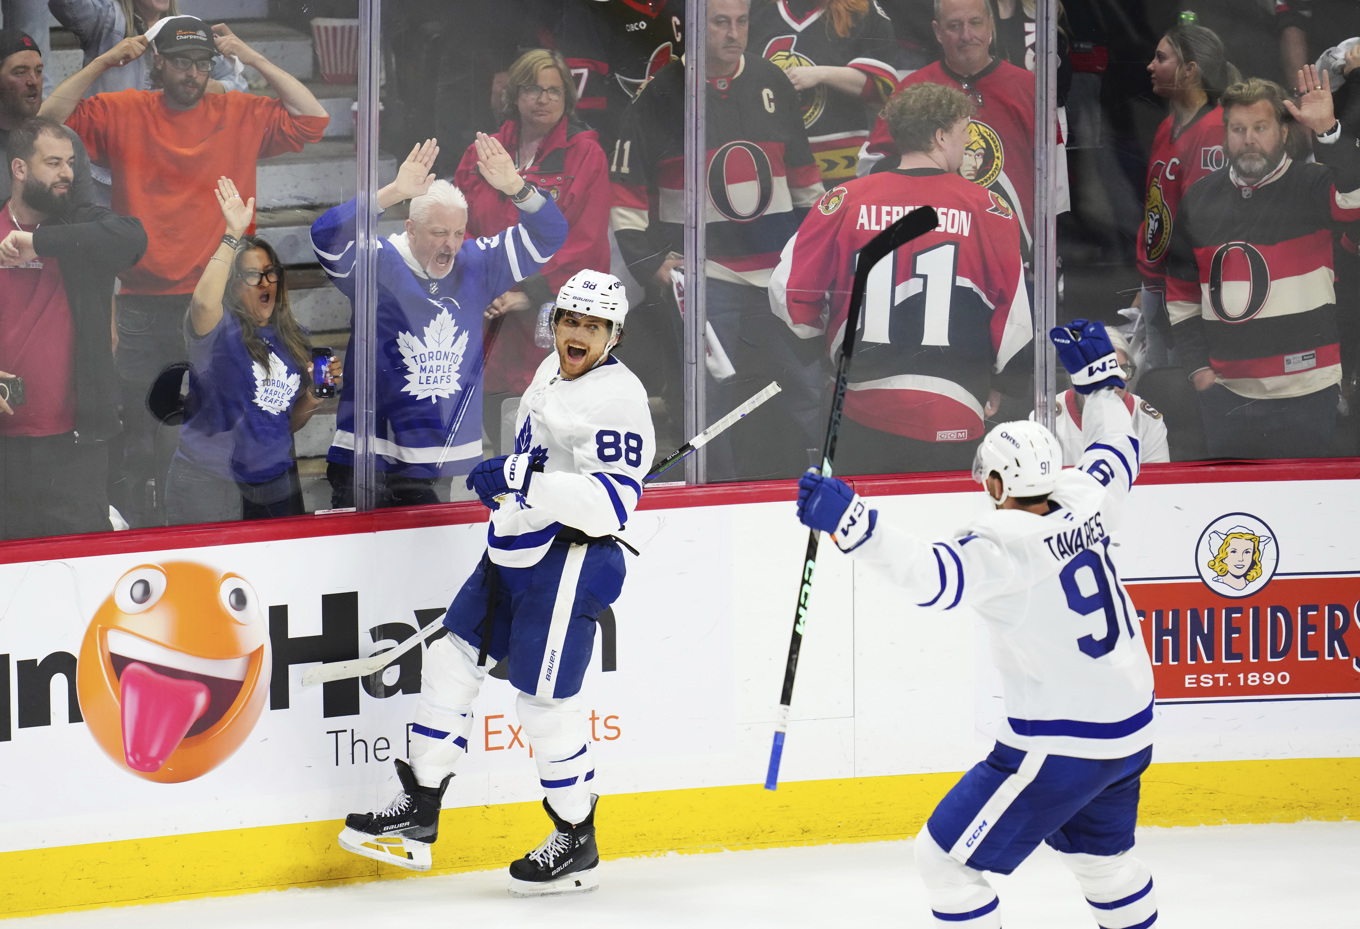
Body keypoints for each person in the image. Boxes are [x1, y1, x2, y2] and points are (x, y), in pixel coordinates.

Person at [795, 319, 1158, 929]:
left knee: (944, 864)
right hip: (1129, 731)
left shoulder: (1002, 541)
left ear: (996, 483)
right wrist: (1100, 386)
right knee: (1105, 865)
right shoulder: (1087, 495)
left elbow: (932, 577)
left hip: (1061, 743)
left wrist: (853, 522)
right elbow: (1115, 447)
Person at [339, 270, 655, 897]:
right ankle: (420, 811)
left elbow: (611, 504)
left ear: (613, 335)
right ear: (556, 321)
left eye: (593, 326)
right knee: (450, 662)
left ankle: (576, 837)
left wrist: (519, 477)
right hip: (515, 546)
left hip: (570, 558)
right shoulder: (549, 370)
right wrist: (516, 488)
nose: (578, 333)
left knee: (543, 708)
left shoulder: (618, 397)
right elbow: (534, 461)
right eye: (571, 319)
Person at [39, 14, 328, 527]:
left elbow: (313, 118)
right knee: (140, 436)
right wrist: (106, 61)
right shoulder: (125, 108)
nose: (192, 73)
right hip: (144, 302)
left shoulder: (239, 109)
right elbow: (50, 119)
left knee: (219, 428)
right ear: (159, 62)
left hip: (221, 304)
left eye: (201, 64)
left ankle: (222, 533)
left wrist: (253, 56)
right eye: (181, 62)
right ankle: (145, 536)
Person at [611, 0, 826, 481]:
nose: (734, 33)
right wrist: (651, 265)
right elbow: (626, 197)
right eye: (720, 22)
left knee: (804, 393)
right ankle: (716, 501)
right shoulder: (658, 96)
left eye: (742, 21)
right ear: (691, 27)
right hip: (706, 281)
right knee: (711, 411)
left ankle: (809, 496)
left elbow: (807, 180)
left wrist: (816, 256)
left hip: (781, 277)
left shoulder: (772, 83)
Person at [771, 82, 1031, 474]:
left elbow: (788, 296)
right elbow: (1015, 323)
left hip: (859, 410)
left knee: (858, 528)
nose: (966, 144)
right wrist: (1003, 385)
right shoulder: (988, 209)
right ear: (941, 136)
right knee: (943, 531)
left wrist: (820, 349)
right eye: (964, 132)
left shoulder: (845, 200)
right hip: (953, 414)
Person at [311, 136, 568, 508]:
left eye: (459, 233)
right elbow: (325, 236)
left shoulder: (476, 262)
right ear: (412, 229)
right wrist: (394, 191)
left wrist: (516, 187)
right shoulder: (377, 261)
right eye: (439, 233)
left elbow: (551, 234)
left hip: (437, 459)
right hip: (367, 459)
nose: (451, 244)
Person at [1165, 68, 1360, 460]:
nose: (1249, 139)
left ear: (1284, 132)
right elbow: (1181, 292)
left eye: (1260, 127)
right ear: (1225, 135)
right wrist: (1198, 369)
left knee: (1303, 515)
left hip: (1307, 394)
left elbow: (1354, 202)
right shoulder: (1199, 199)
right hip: (1227, 396)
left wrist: (1329, 133)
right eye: (1238, 129)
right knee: (1237, 518)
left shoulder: (1313, 184)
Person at [454, 48, 610, 452]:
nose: (543, 100)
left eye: (554, 91)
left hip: (550, 321)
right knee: (496, 440)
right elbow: (460, 226)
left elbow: (585, 243)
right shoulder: (482, 153)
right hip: (488, 316)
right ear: (514, 95)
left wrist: (529, 292)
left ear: (567, 99)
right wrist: (485, 283)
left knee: (548, 449)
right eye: (533, 89)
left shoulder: (585, 154)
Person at [0, 116, 146, 540]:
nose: (67, 172)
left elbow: (133, 238)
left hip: (76, 442)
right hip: (6, 445)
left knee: (80, 573)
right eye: (53, 162)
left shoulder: (79, 225)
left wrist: (38, 243)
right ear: (20, 169)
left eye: (69, 162)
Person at [163, 177, 336, 526]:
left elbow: (285, 424)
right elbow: (201, 301)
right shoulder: (220, 330)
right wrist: (232, 235)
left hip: (274, 481)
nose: (265, 283)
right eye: (253, 276)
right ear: (233, 284)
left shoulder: (294, 335)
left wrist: (313, 398)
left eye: (271, 274)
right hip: (210, 482)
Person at [859, 0, 1067, 254]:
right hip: (930, 249)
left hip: (1010, 250)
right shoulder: (912, 88)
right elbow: (871, 165)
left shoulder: (1032, 89)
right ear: (937, 32)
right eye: (954, 26)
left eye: (975, 23)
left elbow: (1055, 186)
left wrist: (1044, 254)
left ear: (991, 25)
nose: (966, 35)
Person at [1136, 21, 1239, 369]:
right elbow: (1157, 206)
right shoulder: (1168, 125)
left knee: (1180, 388)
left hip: (1187, 292)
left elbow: (1204, 227)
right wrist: (1149, 282)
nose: (1151, 66)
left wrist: (1176, 296)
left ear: (1190, 70)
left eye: (1161, 58)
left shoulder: (1213, 129)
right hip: (1158, 283)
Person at [749, 0, 901, 185]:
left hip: (840, 164)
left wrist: (822, 74)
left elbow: (881, 88)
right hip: (771, 160)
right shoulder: (758, 8)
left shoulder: (861, 9)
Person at [48, 0, 246, 99]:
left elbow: (240, 87)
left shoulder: (189, 28)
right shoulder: (107, 19)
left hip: (166, 157)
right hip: (108, 166)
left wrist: (217, 88)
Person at [1040, 326, 1170, 466]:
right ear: (1078, 376)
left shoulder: (1147, 422)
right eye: (1103, 373)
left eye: (1122, 370)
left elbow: (1158, 483)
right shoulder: (1047, 419)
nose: (1115, 384)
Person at [0, 29, 95, 205]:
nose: (33, 81)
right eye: (20, 72)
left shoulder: (66, 140)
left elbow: (86, 216)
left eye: (38, 71)